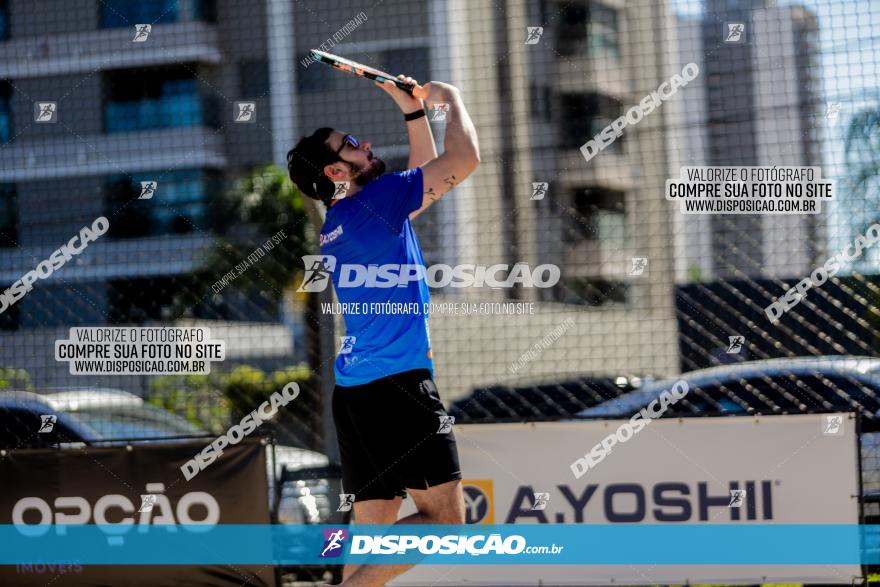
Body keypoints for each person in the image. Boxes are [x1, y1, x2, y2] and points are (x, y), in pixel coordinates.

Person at [287, 75, 480, 587]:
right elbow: (461, 163)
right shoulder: (381, 203)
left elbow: (423, 174)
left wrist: (412, 111)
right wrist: (450, 100)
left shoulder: (344, 217)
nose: (363, 143)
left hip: (357, 396)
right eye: (350, 145)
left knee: (372, 539)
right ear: (335, 170)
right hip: (398, 390)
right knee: (448, 526)